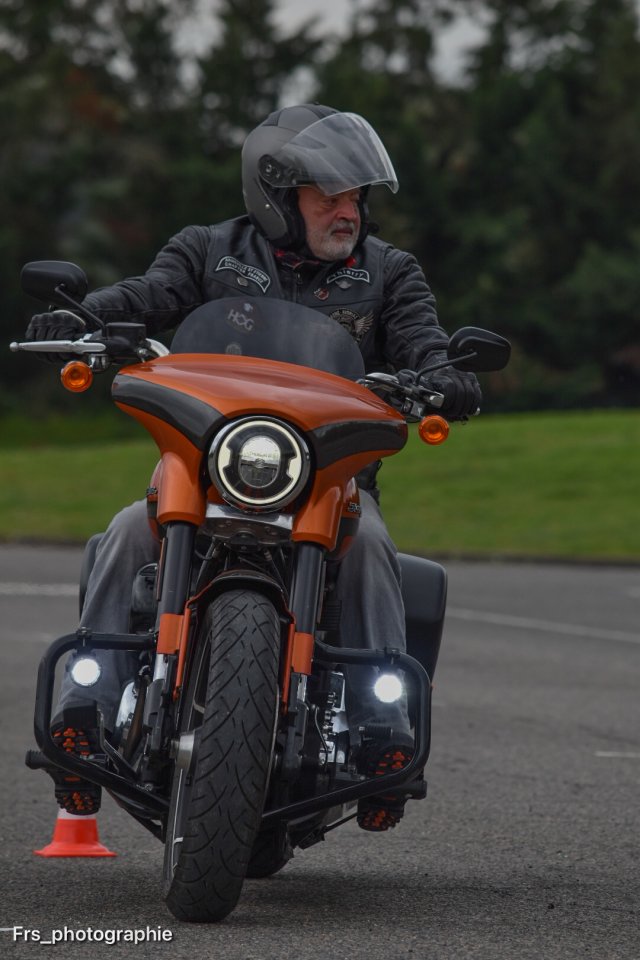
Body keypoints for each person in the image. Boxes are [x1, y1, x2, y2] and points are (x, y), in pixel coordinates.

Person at [26, 104, 481, 830]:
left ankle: (382, 736)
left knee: (369, 547)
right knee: (128, 531)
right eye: (327, 196)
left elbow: (423, 340)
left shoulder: (390, 271)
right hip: (208, 470)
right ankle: (83, 716)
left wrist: (445, 374)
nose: (348, 211)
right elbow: (147, 297)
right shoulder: (207, 250)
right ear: (277, 196)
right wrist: (88, 317)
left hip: (328, 482)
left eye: (356, 196)